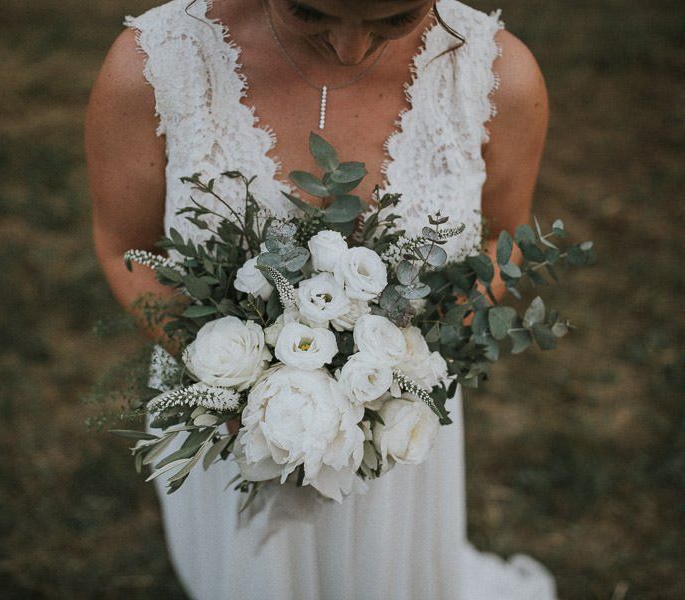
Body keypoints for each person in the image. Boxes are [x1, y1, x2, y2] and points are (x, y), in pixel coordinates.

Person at [86, 0, 554, 598]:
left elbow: (503, 238)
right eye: (310, 13)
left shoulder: (497, 77)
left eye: (395, 19)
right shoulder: (155, 66)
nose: (350, 49)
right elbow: (124, 246)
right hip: (231, 425)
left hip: (395, 420)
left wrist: (402, 364)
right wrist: (241, 386)